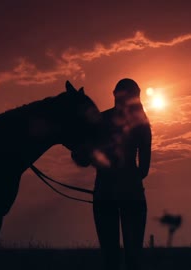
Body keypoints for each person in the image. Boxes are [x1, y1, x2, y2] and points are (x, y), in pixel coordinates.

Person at [73, 78, 152, 270]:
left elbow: (82, 159)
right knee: (133, 259)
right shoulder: (143, 124)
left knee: (110, 259)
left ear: (114, 94)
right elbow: (144, 169)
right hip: (132, 195)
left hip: (104, 194)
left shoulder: (101, 120)